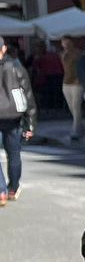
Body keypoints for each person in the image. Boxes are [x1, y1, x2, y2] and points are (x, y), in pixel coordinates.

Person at [0, 35, 35, 203]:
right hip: (13, 116)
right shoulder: (15, 67)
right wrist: (30, 124)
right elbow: (27, 96)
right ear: (4, 48)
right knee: (14, 153)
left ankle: (1, 191)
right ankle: (13, 187)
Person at [60, 37, 85, 142]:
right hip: (66, 81)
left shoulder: (78, 53)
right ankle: (80, 125)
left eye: (68, 42)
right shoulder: (62, 54)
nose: (66, 44)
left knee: (76, 106)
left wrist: (79, 78)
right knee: (71, 106)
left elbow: (82, 67)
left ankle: (76, 130)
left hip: (76, 83)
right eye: (64, 42)